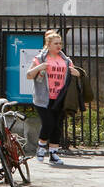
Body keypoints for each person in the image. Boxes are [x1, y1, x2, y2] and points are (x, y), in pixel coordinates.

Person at [26, 30, 81, 166]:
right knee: (48, 123)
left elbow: (77, 76)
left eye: (60, 43)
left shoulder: (66, 60)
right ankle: (41, 147)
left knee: (57, 126)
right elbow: (29, 75)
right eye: (56, 43)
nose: (59, 46)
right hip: (43, 98)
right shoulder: (40, 59)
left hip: (60, 97)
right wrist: (40, 67)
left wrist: (77, 73)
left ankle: (54, 154)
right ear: (48, 45)